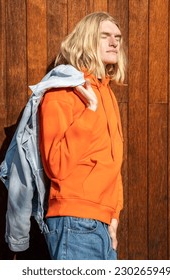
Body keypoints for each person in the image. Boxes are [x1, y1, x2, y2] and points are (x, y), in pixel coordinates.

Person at [39, 11, 126, 260]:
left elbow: (112, 163)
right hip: (74, 223)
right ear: (87, 40)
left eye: (118, 37)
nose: (114, 42)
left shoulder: (106, 93)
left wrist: (114, 215)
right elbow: (55, 165)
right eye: (105, 36)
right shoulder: (63, 91)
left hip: (103, 225)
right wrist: (89, 112)